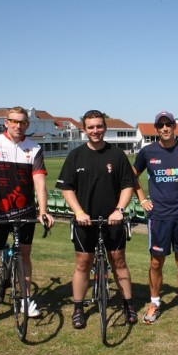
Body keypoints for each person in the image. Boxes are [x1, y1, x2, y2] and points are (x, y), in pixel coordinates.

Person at [0, 106, 55, 335]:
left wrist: (43, 210)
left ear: (27, 124)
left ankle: (25, 300)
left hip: (25, 213)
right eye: (13, 121)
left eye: (22, 122)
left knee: (24, 256)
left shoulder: (34, 148)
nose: (18, 126)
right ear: (6, 122)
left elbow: (40, 184)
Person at [56, 109, 137, 329]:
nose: (95, 131)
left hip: (113, 221)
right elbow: (67, 189)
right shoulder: (76, 156)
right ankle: (78, 308)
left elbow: (128, 186)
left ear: (105, 127)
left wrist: (119, 209)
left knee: (118, 261)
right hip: (85, 222)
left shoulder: (117, 155)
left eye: (99, 126)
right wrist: (79, 212)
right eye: (91, 127)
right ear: (84, 129)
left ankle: (128, 304)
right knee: (83, 264)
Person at [133, 111, 178, 324]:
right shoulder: (147, 152)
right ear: (156, 129)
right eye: (161, 125)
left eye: (168, 124)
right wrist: (142, 199)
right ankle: (154, 302)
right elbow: (131, 176)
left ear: (174, 127)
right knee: (156, 263)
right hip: (159, 216)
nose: (165, 128)